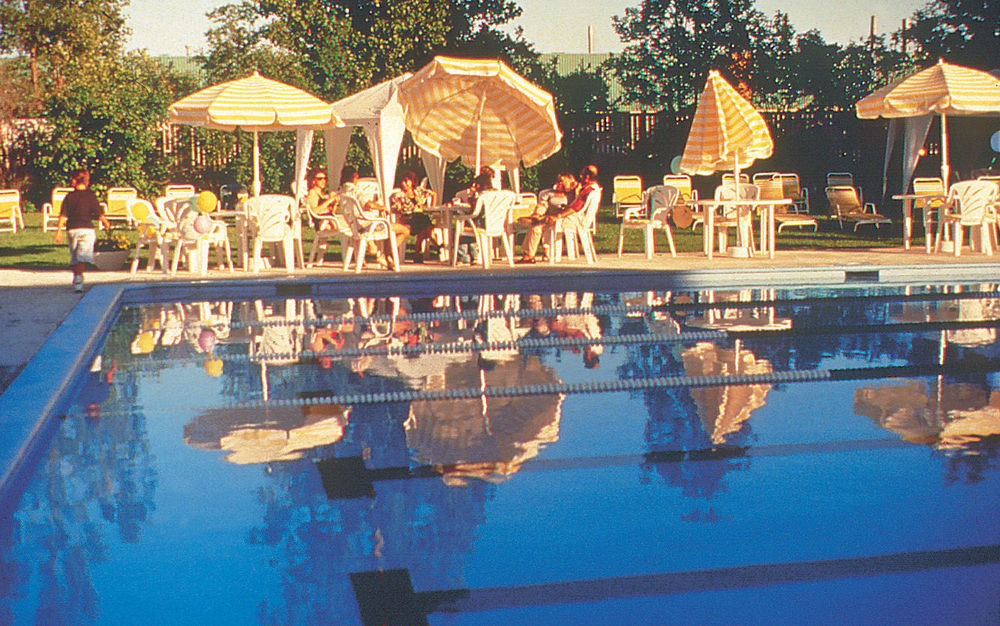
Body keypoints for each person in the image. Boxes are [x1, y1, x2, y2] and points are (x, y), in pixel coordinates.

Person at [517, 165, 599, 264]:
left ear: (587, 177)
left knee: (538, 224)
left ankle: (529, 253)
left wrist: (557, 216)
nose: (580, 177)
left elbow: (575, 208)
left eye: (582, 175)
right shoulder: (589, 188)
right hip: (571, 217)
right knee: (538, 223)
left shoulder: (587, 189)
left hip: (573, 220)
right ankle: (530, 253)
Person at [54, 168, 111, 292]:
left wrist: (58, 231)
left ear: (74, 181)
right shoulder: (90, 196)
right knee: (82, 255)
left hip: (72, 230)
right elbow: (98, 212)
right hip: (86, 230)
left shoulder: (69, 197)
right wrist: (105, 222)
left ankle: (77, 278)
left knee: (75, 256)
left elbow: (63, 215)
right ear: (87, 182)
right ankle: (79, 277)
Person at [389, 170, 437, 262]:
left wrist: (433, 207)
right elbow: (396, 210)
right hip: (409, 219)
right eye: (403, 181)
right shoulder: (399, 195)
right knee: (426, 226)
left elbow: (434, 194)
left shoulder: (418, 191)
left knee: (424, 224)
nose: (404, 183)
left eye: (407, 181)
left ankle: (418, 254)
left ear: (412, 181)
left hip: (420, 218)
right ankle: (437, 246)